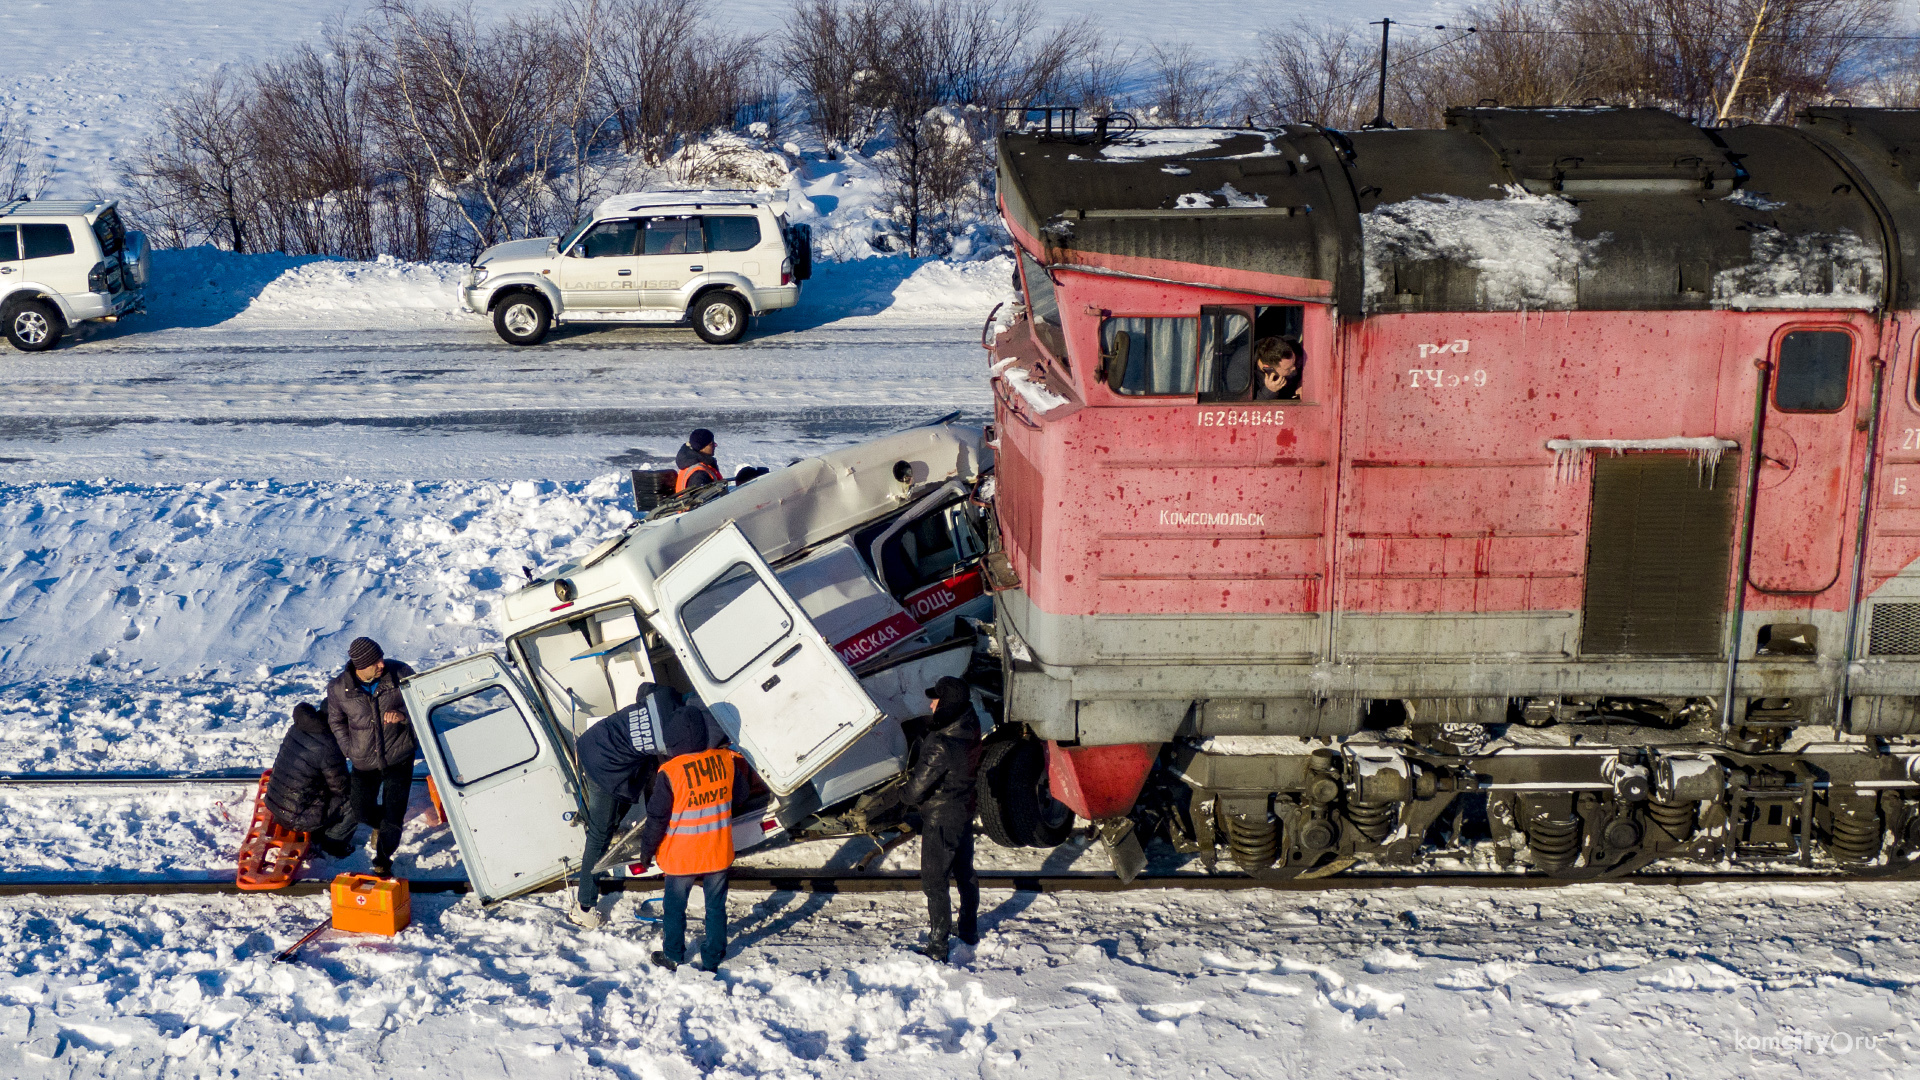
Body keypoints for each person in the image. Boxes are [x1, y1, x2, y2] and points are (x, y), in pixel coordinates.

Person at [633, 704, 749, 972]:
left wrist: (647, 850)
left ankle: (674, 955)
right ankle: (713, 958)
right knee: (716, 908)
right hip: (718, 851)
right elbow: (740, 797)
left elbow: (657, 818)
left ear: (673, 740)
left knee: (674, 909)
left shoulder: (671, 773)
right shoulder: (725, 759)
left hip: (681, 857)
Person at [568, 681, 676, 929]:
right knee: (599, 835)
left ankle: (593, 818)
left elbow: (644, 689)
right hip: (603, 769)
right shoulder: (666, 731)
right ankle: (584, 907)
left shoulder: (647, 704)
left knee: (606, 819)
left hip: (590, 745)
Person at [901, 676, 982, 963]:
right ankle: (969, 931)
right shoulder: (970, 726)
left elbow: (914, 792)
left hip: (940, 817)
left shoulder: (940, 743)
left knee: (934, 883)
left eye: (936, 698)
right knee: (965, 874)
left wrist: (901, 792)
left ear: (947, 703)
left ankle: (937, 948)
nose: (931, 703)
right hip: (964, 810)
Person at [325, 636, 418, 878]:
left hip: (399, 755)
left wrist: (402, 716)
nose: (382, 665)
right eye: (375, 662)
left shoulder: (400, 673)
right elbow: (335, 721)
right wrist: (349, 749)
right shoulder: (338, 689)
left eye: (381, 658)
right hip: (364, 760)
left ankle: (383, 861)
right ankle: (382, 825)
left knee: (394, 814)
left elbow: (422, 701)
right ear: (361, 666)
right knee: (361, 809)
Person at [263, 701, 355, 858]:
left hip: (276, 805)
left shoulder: (299, 726)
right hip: (297, 817)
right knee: (357, 799)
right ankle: (333, 843)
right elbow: (341, 789)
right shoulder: (329, 744)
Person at [1253, 336, 1302, 401]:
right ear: (1268, 368)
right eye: (1288, 368)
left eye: (1294, 362)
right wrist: (1270, 391)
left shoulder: (1293, 347)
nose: (1294, 368)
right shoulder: (1242, 379)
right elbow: (1250, 409)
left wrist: (1301, 383)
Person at [675, 428, 723, 494]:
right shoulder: (699, 474)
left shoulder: (692, 463)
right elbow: (706, 501)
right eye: (711, 444)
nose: (715, 446)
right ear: (701, 447)